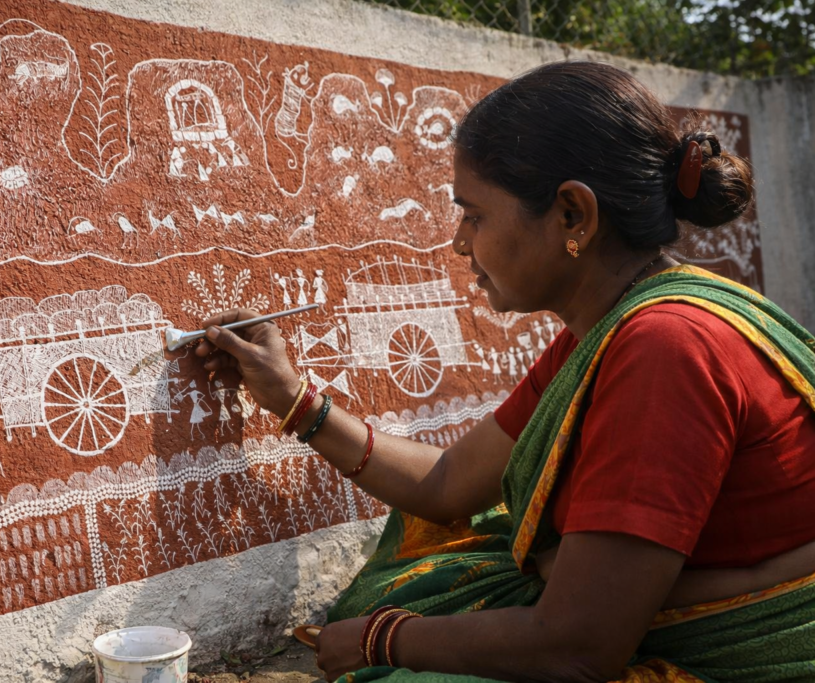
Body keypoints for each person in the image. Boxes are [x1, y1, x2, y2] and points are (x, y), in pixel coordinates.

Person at [193, 61, 815, 682]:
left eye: (474, 215)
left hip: (734, 653)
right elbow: (447, 485)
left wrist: (383, 641)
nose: (460, 243)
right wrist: (292, 399)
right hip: (603, 626)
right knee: (433, 554)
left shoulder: (664, 348)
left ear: (573, 215)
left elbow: (578, 648)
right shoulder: (608, 327)